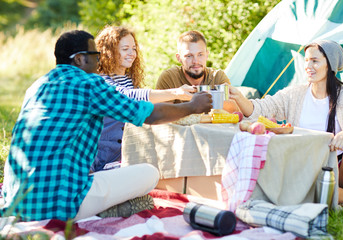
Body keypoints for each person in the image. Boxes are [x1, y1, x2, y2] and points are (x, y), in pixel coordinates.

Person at [1, 30, 212, 221]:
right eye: (95, 55)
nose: (99, 59)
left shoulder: (37, 85)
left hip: (16, 201)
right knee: (150, 173)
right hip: (58, 205)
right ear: (80, 59)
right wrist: (192, 106)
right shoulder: (89, 84)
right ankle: (105, 209)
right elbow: (149, 115)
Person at [228, 40, 343, 208]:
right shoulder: (295, 95)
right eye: (306, 61)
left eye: (315, 61)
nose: (308, 66)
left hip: (341, 168)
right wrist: (239, 97)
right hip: (307, 166)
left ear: (330, 65)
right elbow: (262, 108)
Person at [92, 26, 196, 172]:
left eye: (134, 48)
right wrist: (175, 93)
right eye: (125, 49)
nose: (132, 54)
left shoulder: (128, 79)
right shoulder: (100, 81)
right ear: (108, 52)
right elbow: (128, 97)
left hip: (125, 154)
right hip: (102, 160)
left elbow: (143, 104)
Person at [156, 30, 238, 112]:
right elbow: (161, 113)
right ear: (179, 58)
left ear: (207, 55)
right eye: (189, 56)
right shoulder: (169, 78)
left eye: (200, 54)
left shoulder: (217, 77)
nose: (196, 61)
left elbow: (235, 111)